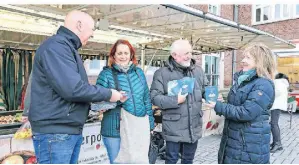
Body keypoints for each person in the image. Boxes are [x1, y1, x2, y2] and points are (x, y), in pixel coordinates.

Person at [28, 11, 125, 164]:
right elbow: (73, 89)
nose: (92, 34)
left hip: (64, 130)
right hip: (56, 132)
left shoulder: (65, 48)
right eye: (91, 29)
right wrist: (109, 94)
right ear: (79, 25)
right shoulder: (57, 47)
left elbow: (71, 88)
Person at [206, 43, 276, 164]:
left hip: (248, 145)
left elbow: (246, 112)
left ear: (260, 61)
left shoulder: (263, 84)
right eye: (244, 57)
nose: (243, 60)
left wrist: (218, 106)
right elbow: (237, 105)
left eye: (248, 58)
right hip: (236, 139)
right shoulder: (243, 80)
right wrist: (223, 102)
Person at [96, 39, 155, 164]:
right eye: (120, 53)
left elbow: (146, 100)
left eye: (126, 53)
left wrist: (150, 124)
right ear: (113, 55)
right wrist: (116, 100)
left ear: (131, 55)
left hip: (138, 128)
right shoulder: (106, 74)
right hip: (115, 131)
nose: (123, 56)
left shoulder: (139, 73)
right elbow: (96, 104)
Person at [150, 39, 208, 164]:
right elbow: (154, 97)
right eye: (186, 53)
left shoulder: (198, 71)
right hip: (173, 127)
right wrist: (175, 100)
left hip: (193, 126)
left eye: (190, 53)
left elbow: (205, 89)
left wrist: (210, 96)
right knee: (171, 160)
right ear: (174, 55)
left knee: (188, 160)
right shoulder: (161, 73)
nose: (189, 56)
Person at [270, 73, 289, 153]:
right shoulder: (283, 83)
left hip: (276, 105)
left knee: (274, 124)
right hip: (277, 105)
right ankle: (276, 142)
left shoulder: (278, 83)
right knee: (273, 123)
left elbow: (276, 93)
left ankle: (278, 144)